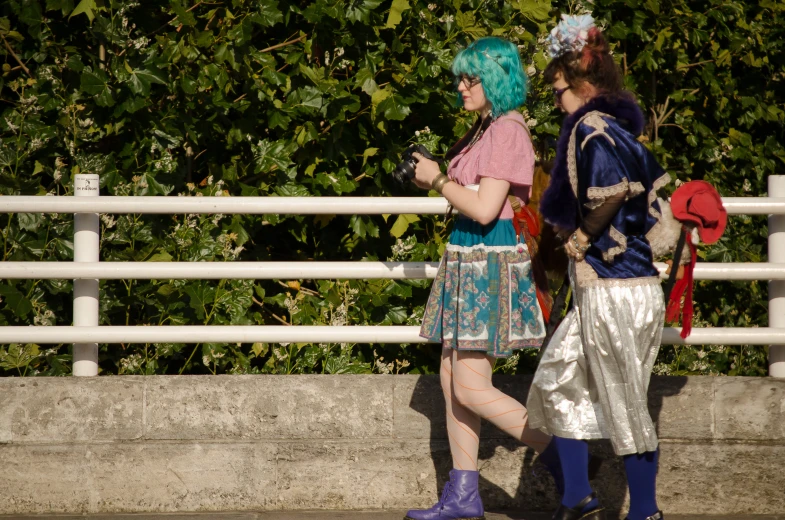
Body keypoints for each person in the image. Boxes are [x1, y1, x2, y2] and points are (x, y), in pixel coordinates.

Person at [526, 14, 681, 520]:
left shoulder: (591, 127)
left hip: (615, 288)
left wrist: (579, 238)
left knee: (626, 405)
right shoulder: (614, 129)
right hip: (616, 287)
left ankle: (646, 512)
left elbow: (612, 192)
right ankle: (577, 497)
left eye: (559, 92)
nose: (556, 103)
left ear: (584, 87)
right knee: (557, 379)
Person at [405, 37, 563, 520]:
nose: (461, 86)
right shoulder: (486, 128)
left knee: (471, 387)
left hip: (488, 263)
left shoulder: (508, 130)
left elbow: (485, 206)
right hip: (468, 257)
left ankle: (568, 460)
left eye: (470, 78)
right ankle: (463, 495)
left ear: (495, 78)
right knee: (452, 378)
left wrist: (435, 179)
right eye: (460, 77)